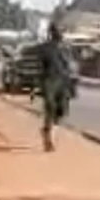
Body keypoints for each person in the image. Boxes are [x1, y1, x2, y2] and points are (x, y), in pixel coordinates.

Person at [36, 23, 73, 152]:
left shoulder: (65, 48)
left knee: (61, 110)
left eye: (61, 31)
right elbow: (40, 66)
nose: (59, 34)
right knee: (50, 107)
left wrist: (71, 82)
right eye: (57, 31)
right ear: (52, 33)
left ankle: (49, 131)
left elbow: (69, 66)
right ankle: (49, 137)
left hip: (63, 81)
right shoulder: (44, 48)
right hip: (49, 80)